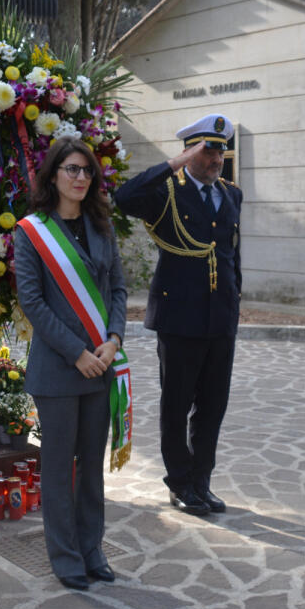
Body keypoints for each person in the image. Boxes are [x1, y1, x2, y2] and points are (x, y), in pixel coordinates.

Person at [13, 137, 127, 591]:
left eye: (86, 171)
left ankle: (92, 548)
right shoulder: (32, 231)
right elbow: (33, 302)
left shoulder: (102, 226)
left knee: (92, 467)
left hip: (100, 365)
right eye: (71, 169)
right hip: (60, 370)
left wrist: (113, 341)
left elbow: (118, 288)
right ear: (54, 175)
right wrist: (76, 353)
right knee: (59, 468)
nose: (80, 178)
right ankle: (64, 555)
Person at [115, 113, 242, 516]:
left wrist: (236, 297)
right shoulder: (167, 191)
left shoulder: (231, 195)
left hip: (220, 316)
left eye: (220, 151)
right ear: (190, 152)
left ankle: (202, 481)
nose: (216, 159)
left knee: (212, 405)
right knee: (177, 404)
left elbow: (231, 254)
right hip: (179, 316)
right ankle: (179, 482)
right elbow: (123, 197)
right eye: (207, 151)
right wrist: (172, 164)